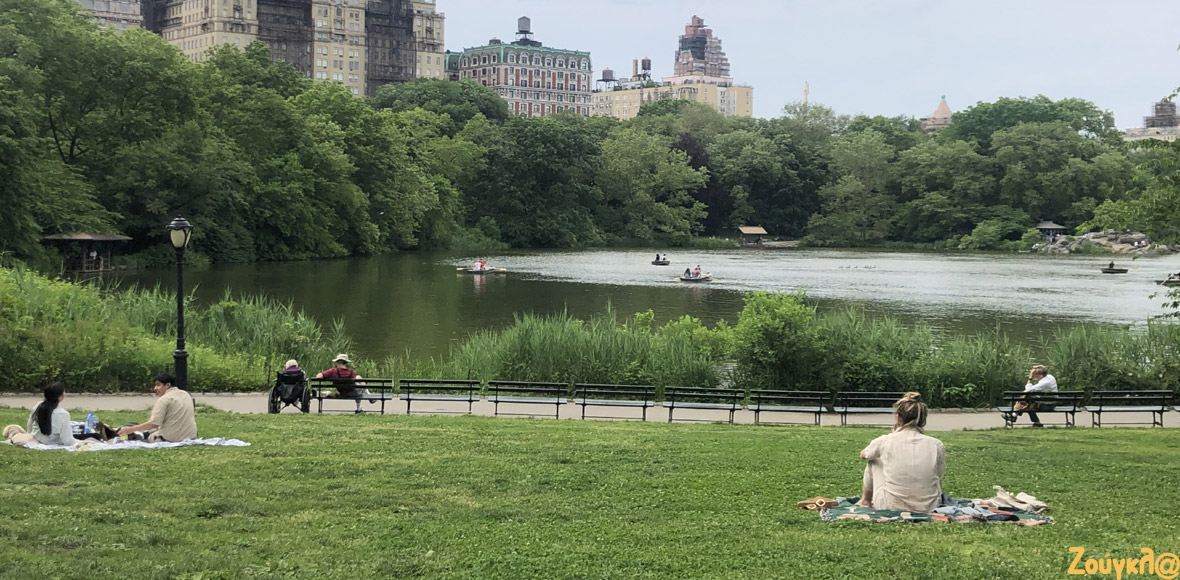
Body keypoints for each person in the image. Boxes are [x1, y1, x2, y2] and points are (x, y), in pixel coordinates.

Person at [855, 392, 945, 512]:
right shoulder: (936, 444)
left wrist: (892, 436)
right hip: (929, 506)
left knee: (874, 459)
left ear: (898, 418)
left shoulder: (885, 441)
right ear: (923, 419)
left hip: (891, 505)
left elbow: (864, 454)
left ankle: (865, 500)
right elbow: (939, 476)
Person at [117, 373, 198, 442]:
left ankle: (135, 434)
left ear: (168, 385)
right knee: (153, 430)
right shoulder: (186, 394)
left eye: (158, 385)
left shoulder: (164, 399)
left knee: (149, 436)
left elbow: (154, 424)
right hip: (190, 435)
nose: (155, 388)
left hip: (171, 439)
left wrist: (131, 429)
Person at [9, 382, 86, 447]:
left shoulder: (38, 406)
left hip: (36, 437)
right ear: (60, 397)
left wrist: (29, 435)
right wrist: (82, 443)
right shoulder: (63, 414)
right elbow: (67, 440)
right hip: (51, 442)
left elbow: (30, 425)